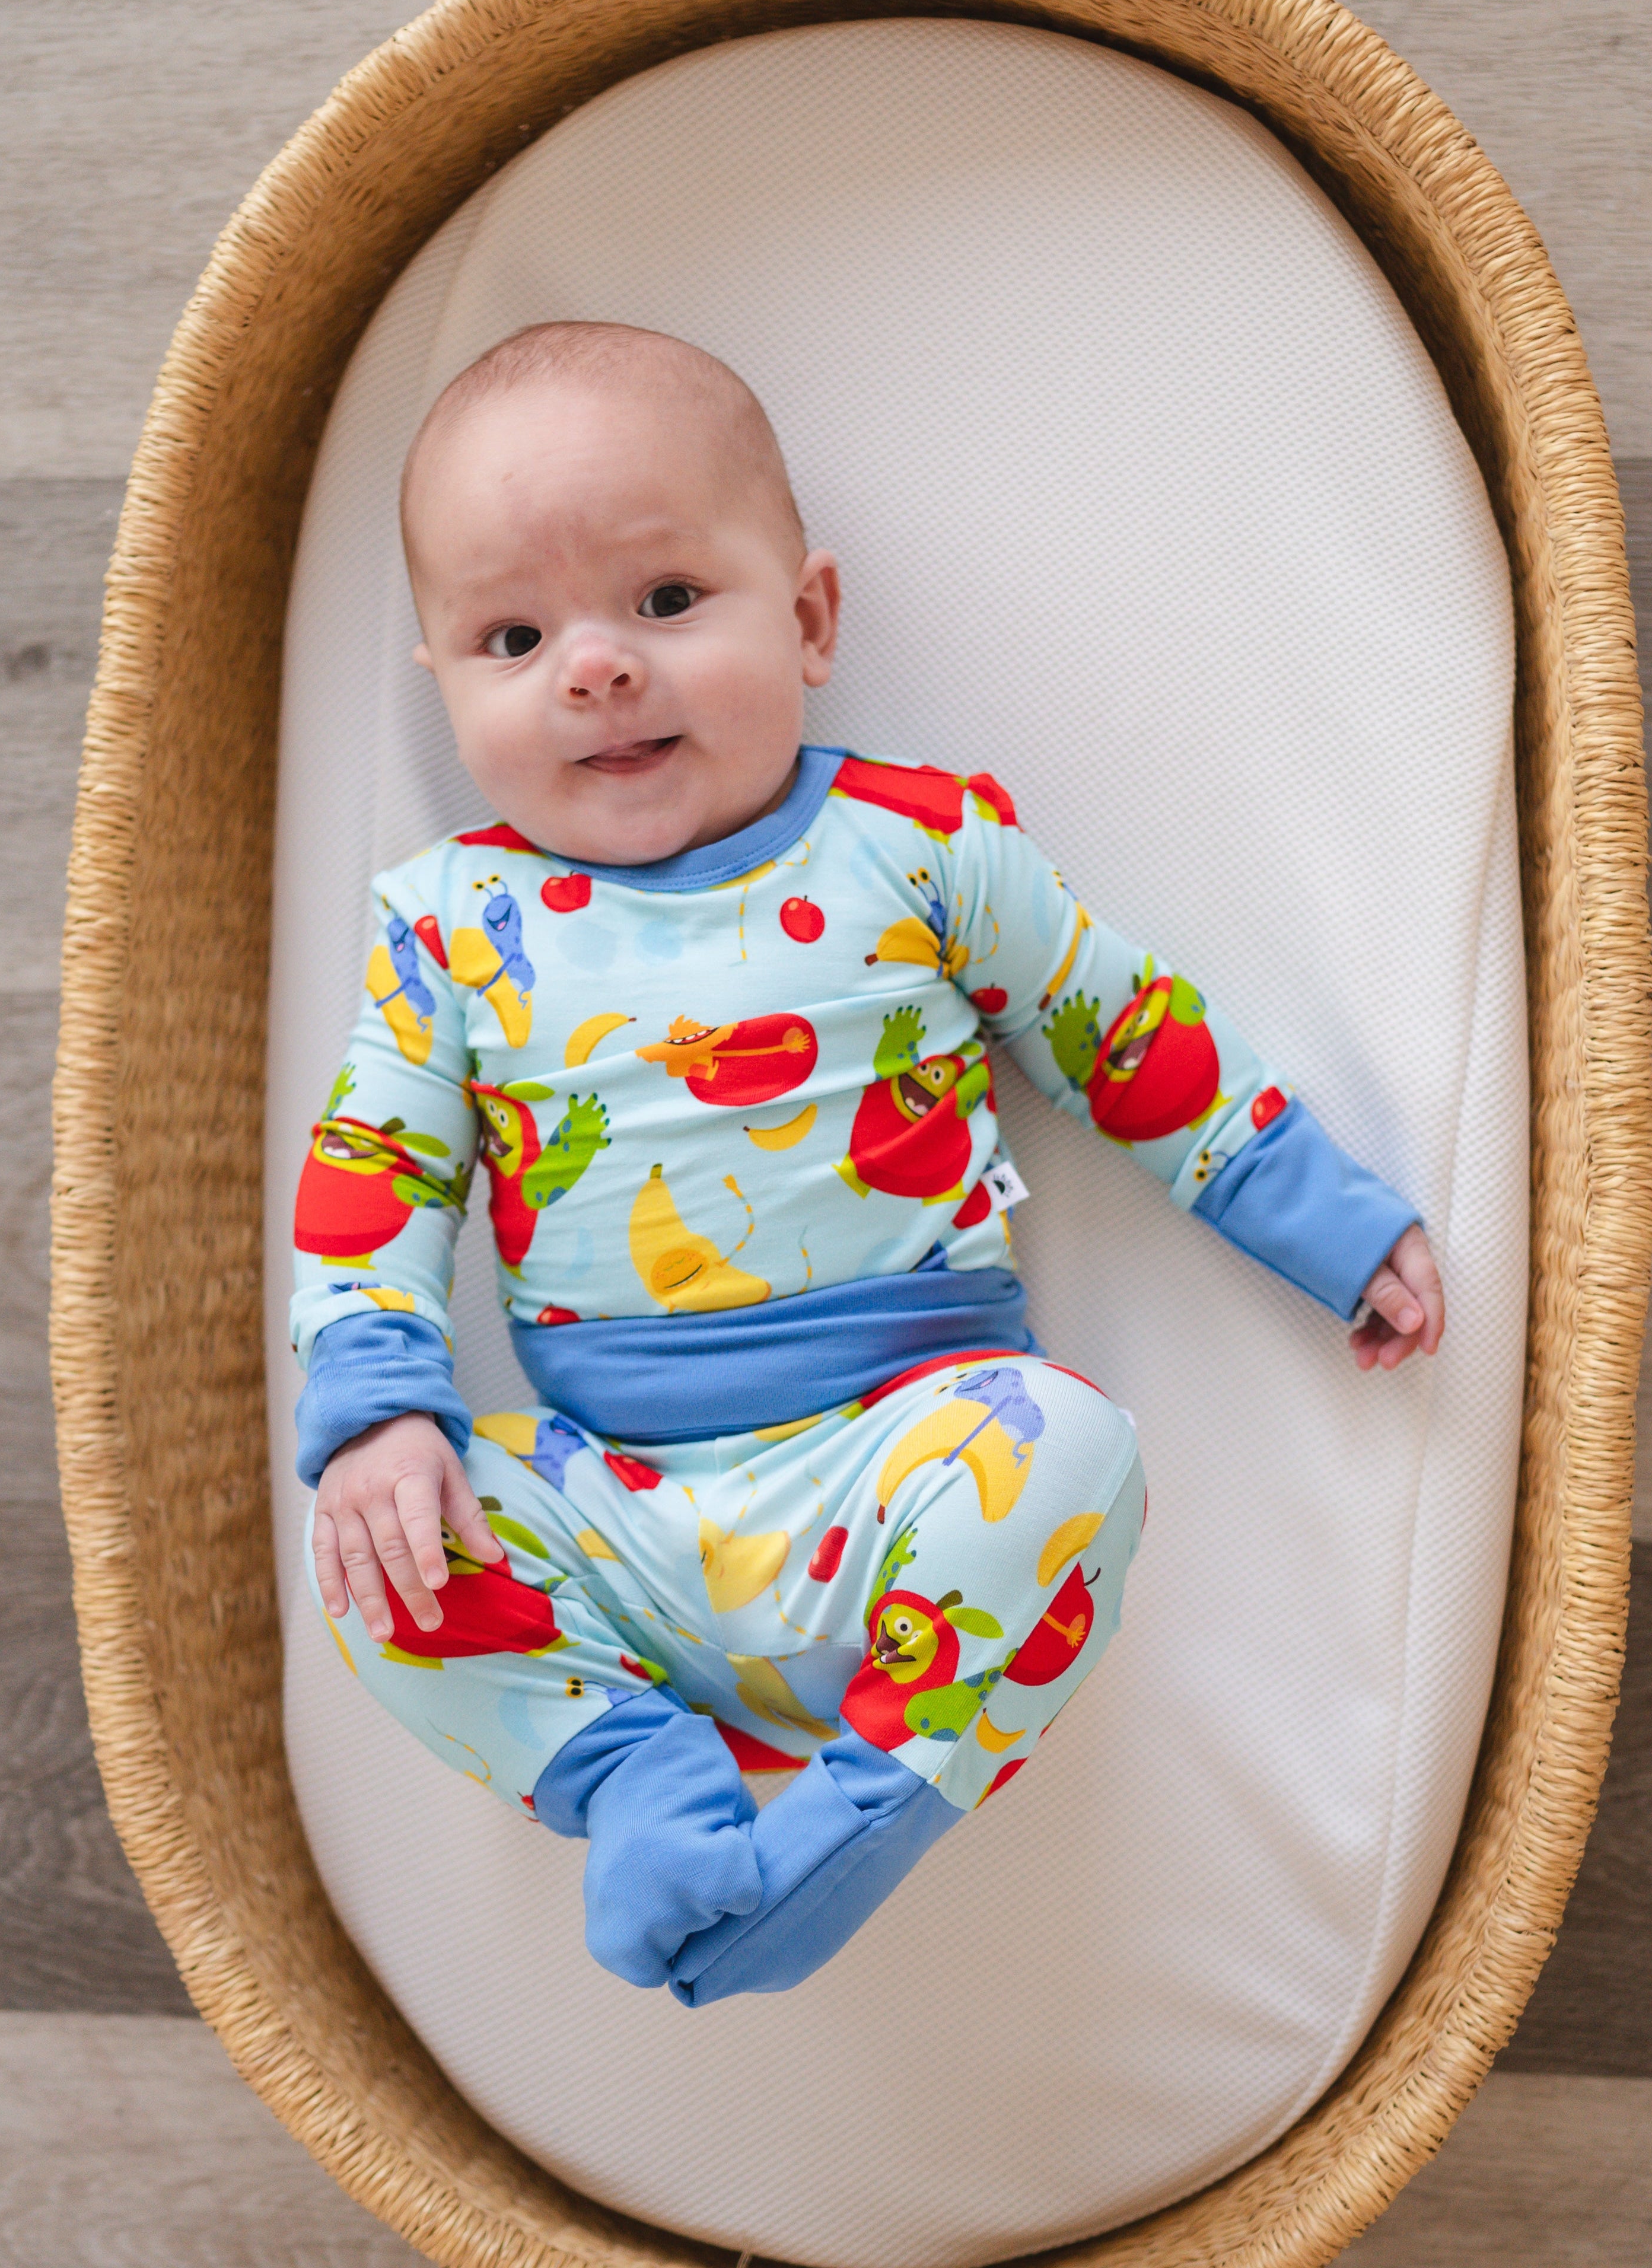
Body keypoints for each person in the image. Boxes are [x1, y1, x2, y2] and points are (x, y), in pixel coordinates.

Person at [289, 321, 1444, 2006]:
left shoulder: (919, 844)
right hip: (613, 1513)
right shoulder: (445, 929)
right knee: (374, 1558)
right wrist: (379, 1412)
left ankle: (854, 1818)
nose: (594, 668)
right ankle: (636, 1777)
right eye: (514, 636)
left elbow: (1118, 1030)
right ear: (444, 683)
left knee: (1074, 1453)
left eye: (665, 602)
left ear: (809, 617)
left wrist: (1316, 1217)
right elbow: (368, 1177)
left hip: (905, 1460)